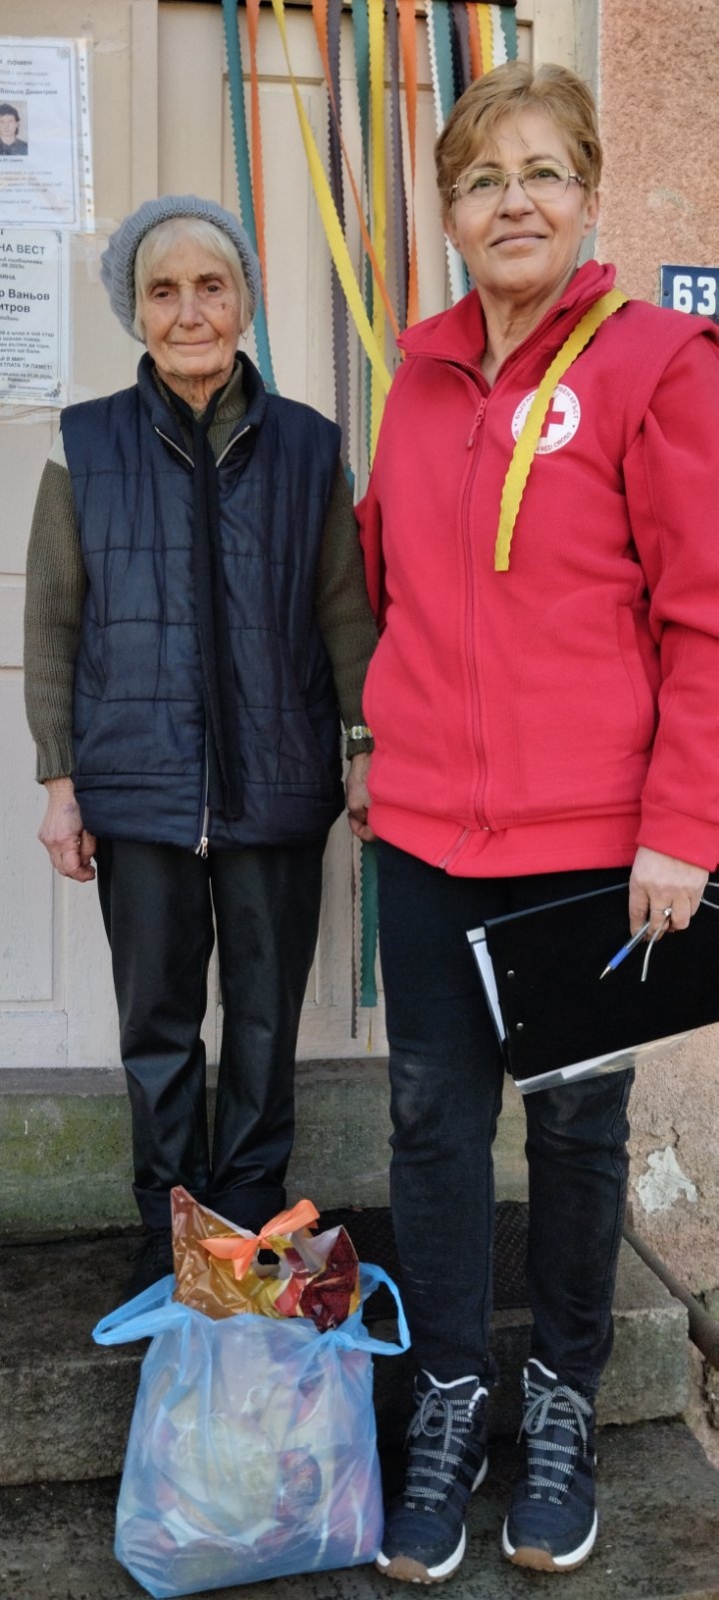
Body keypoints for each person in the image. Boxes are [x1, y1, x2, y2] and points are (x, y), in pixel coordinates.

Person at [357, 62, 719, 1583]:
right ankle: (447, 1399)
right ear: (447, 214)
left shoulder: (657, 364)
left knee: (573, 1127)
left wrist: (681, 824)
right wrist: (381, 740)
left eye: (541, 172)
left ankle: (561, 1401)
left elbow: (704, 615)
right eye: (480, 179)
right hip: (425, 839)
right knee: (430, 1126)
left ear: (586, 194)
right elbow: (384, 583)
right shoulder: (416, 377)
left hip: (588, 850)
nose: (512, 202)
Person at [24, 194, 376, 1296]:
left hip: (276, 782)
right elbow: (53, 622)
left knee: (264, 1023)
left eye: (210, 287)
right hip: (136, 786)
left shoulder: (309, 446)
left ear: (243, 302)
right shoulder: (84, 442)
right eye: (163, 291)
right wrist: (59, 780)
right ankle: (171, 1232)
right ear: (136, 311)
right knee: (159, 1024)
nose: (188, 312)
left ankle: (254, 1225)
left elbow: (342, 610)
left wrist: (362, 745)